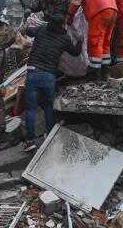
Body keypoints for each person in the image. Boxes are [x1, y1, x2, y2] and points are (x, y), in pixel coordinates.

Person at [22, 16, 82, 151]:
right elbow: (76, 53)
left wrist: (27, 27)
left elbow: (29, 32)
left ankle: (30, 141)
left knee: (31, 109)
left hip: (33, 73)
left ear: (50, 22)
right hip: (49, 76)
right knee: (48, 107)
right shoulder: (65, 38)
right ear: (63, 24)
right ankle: (50, 135)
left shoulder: (42, 29)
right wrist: (79, 41)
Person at [65, 0, 118, 77]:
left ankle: (95, 72)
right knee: (105, 42)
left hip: (99, 10)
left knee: (95, 41)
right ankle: (105, 70)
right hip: (113, 10)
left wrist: (69, 15)